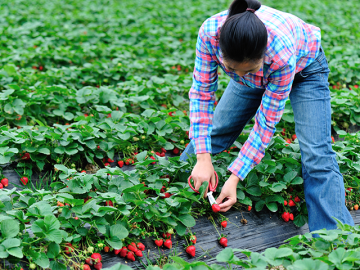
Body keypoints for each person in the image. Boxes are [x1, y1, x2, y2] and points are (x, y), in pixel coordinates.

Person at [180, 0, 354, 232]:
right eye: (231, 69)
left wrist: (234, 178)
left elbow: (265, 124)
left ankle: (334, 241)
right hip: (253, 65)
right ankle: (176, 191)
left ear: (263, 56)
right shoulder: (210, 34)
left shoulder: (280, 55)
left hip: (306, 70)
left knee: (316, 155)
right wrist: (203, 159)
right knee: (217, 130)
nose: (239, 75)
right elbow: (202, 93)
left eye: (248, 70)